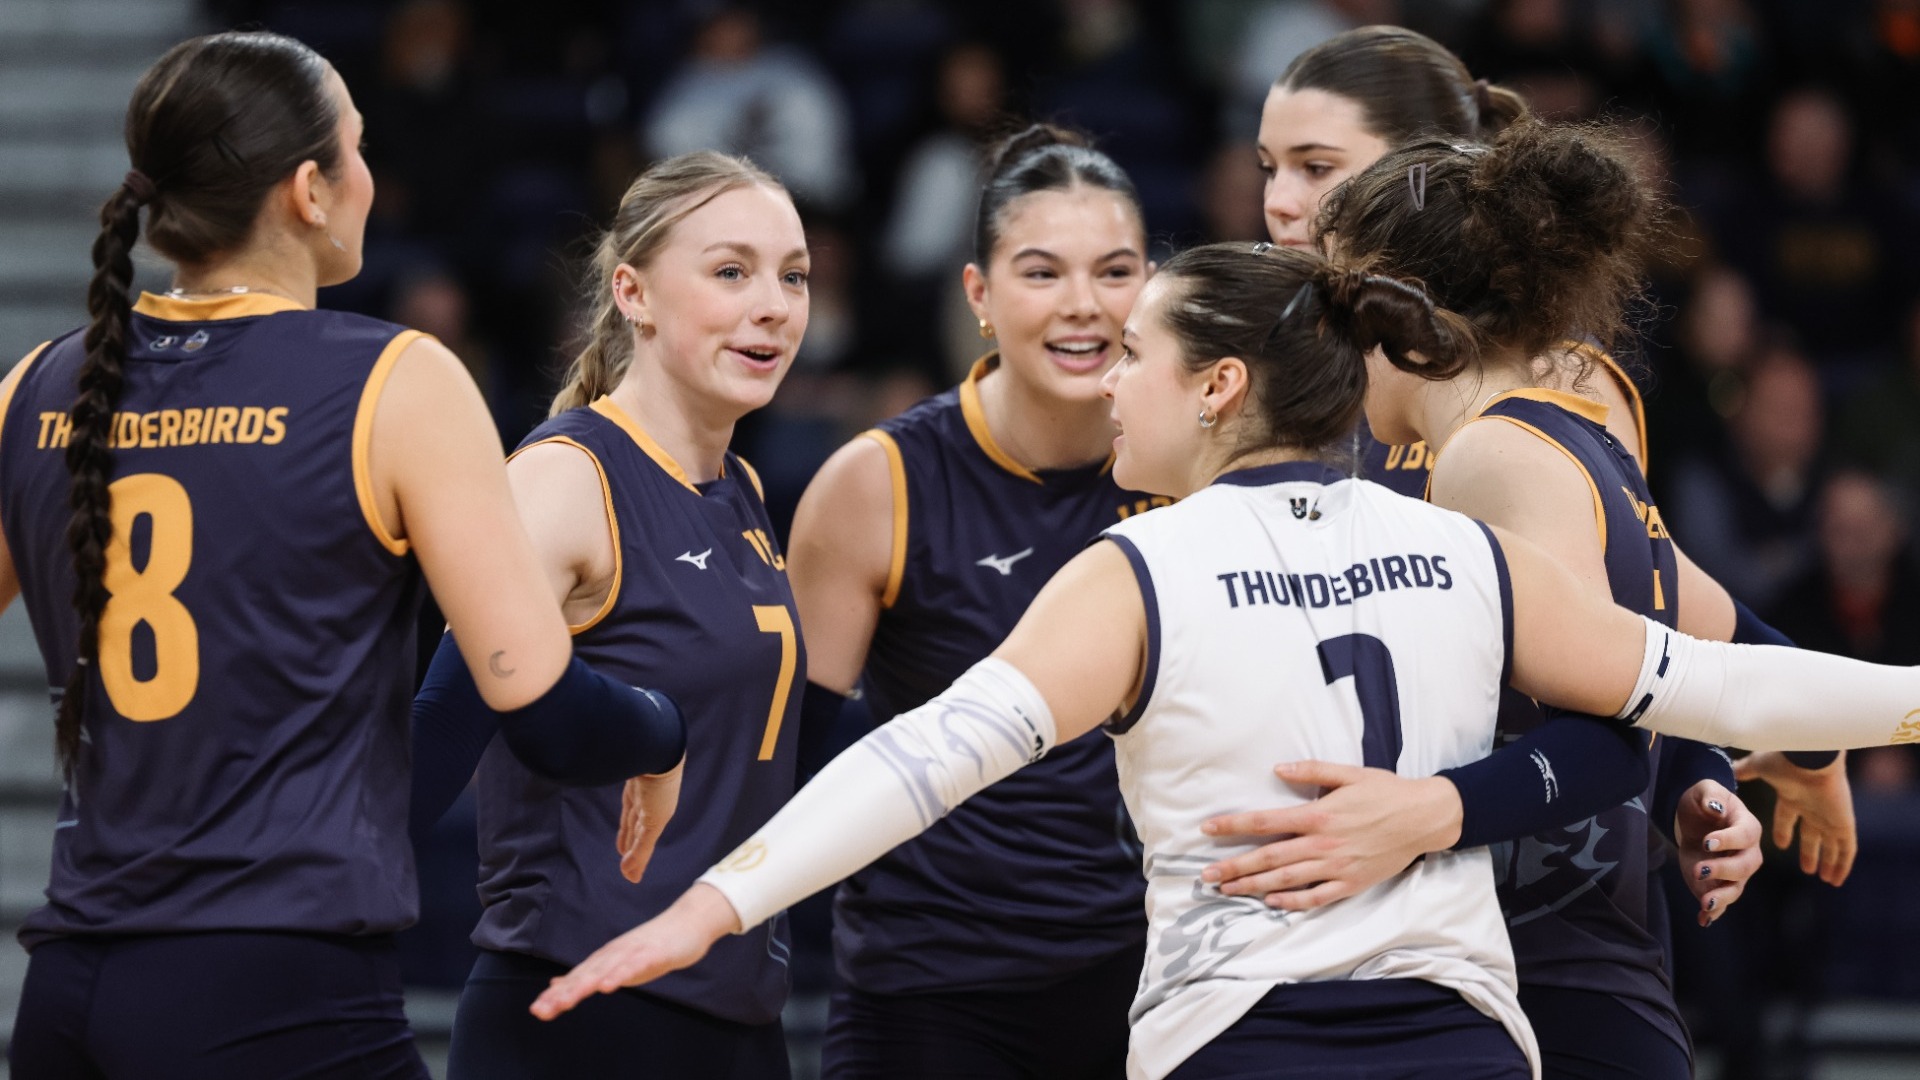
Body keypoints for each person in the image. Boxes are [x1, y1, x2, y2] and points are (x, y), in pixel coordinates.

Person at [529, 243, 1920, 1079]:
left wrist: (708, 906)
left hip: (1243, 1041)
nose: (1106, 377)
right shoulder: (1462, 554)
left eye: (1137, 350)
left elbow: (922, 758)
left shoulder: (1141, 570)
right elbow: (1727, 688)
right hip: (1465, 1044)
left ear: (1217, 387)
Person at [0, 31, 683, 1080]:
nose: (373, 177)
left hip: (70, 995)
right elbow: (541, 709)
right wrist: (661, 730)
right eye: (358, 150)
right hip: (275, 995)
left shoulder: (36, 383)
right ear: (310, 190)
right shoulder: (393, 381)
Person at [1205, 121, 1838, 1080]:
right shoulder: (1562, 409)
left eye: (1317, 167)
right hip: (1524, 963)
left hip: (1538, 964)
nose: (1281, 199)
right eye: (1270, 169)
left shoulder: (1494, 449)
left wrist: (1425, 811)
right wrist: (1812, 734)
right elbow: (1682, 633)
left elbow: (1618, 715)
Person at [408, 151, 812, 1079]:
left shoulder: (739, 484)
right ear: (633, 293)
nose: (774, 306)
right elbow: (434, 737)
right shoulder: (563, 478)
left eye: (793, 276)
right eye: (730, 272)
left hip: (739, 1015)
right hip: (578, 1016)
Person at [786, 123, 1152, 1080]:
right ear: (980, 296)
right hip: (926, 990)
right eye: (1042, 273)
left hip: (1154, 982)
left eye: (1115, 273)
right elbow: (792, 758)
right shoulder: (877, 483)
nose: (1084, 307)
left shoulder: (1198, 476)